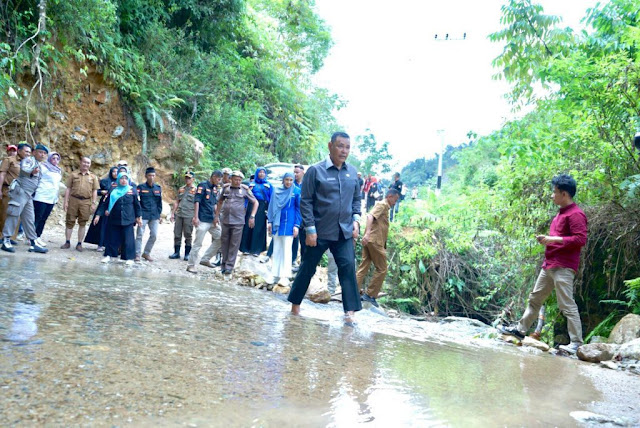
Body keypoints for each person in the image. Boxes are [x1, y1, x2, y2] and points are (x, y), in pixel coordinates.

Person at [500, 174, 588, 354]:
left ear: (564, 194)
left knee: (566, 305)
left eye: (554, 192)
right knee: (535, 299)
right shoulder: (560, 214)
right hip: (549, 265)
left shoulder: (576, 214)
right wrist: (548, 241)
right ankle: (520, 331)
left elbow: (580, 239)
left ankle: (577, 343)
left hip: (563, 266)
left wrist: (551, 239)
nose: (551, 195)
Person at [287, 132, 362, 324]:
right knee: (307, 268)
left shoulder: (352, 173)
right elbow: (306, 201)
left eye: (347, 147)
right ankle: (295, 306)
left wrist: (356, 220)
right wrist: (310, 229)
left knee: (347, 268)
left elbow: (356, 199)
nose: (344, 151)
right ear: (330, 146)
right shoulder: (315, 171)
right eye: (340, 146)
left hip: (343, 232)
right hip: (318, 231)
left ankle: (350, 313)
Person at [356, 189, 400, 307]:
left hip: (371, 240)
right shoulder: (382, 204)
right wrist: (367, 233)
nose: (395, 202)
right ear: (389, 196)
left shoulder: (385, 206)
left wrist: (367, 235)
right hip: (374, 241)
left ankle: (353, 293)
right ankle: (370, 295)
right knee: (382, 269)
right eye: (395, 199)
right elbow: (370, 216)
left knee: (364, 266)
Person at [1, 147, 48, 254]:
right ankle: (6, 240)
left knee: (29, 218)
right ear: (34, 152)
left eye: (44, 153)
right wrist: (32, 172)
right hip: (20, 191)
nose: (42, 155)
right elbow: (24, 168)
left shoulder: (38, 164)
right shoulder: (28, 160)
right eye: (40, 152)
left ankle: (33, 242)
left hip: (28, 195)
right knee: (13, 215)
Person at [94, 171, 142, 265]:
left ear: (128, 180)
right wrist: (98, 215)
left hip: (128, 219)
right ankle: (108, 255)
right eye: (121, 178)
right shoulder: (113, 190)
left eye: (125, 178)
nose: (123, 180)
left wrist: (138, 217)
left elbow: (137, 205)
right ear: (118, 179)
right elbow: (105, 203)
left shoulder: (132, 190)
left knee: (128, 240)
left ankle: (128, 258)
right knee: (112, 238)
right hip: (114, 217)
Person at [216, 170, 258, 275]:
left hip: (238, 221)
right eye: (236, 179)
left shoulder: (245, 189)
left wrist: (252, 216)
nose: (238, 182)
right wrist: (216, 216)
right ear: (231, 179)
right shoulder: (226, 188)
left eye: (239, 180)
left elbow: (255, 202)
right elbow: (220, 201)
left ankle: (229, 267)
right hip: (225, 220)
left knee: (234, 244)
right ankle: (223, 265)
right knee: (224, 242)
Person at [267, 172, 301, 285]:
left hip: (289, 224)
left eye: (291, 180)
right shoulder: (276, 190)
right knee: (277, 249)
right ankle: (275, 275)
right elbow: (271, 206)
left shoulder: (296, 191)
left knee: (287, 250)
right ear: (283, 180)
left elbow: (298, 209)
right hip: (277, 222)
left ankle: (285, 276)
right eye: (287, 180)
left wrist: (296, 225)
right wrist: (270, 221)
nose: (289, 182)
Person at [187, 170, 223, 273]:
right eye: (218, 179)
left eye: (220, 179)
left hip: (212, 219)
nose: (219, 181)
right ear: (213, 177)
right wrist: (195, 217)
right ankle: (191, 265)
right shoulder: (202, 185)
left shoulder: (215, 188)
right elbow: (197, 201)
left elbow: (215, 204)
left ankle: (205, 259)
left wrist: (217, 217)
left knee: (221, 237)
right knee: (198, 243)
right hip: (202, 219)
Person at [61, 157, 99, 251]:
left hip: (86, 202)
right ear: (80, 163)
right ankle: (67, 242)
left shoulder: (93, 177)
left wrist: (93, 203)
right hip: (73, 200)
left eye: (88, 163)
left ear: (90, 165)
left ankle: (79, 243)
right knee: (70, 221)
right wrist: (66, 202)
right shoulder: (73, 175)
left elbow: (95, 191)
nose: (86, 164)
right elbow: (68, 189)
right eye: (84, 162)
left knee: (83, 222)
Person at [33, 150, 63, 247]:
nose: (55, 160)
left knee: (44, 218)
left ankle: (38, 236)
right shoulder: (43, 167)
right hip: (41, 196)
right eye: (53, 158)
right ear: (49, 158)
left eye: (57, 158)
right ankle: (31, 237)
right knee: (38, 217)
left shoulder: (58, 170)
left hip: (51, 198)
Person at [85, 166, 118, 251]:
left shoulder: (120, 182)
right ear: (111, 172)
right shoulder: (105, 181)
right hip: (104, 204)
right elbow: (96, 191)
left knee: (111, 226)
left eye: (117, 172)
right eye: (113, 172)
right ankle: (100, 244)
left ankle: (108, 244)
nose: (115, 173)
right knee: (101, 225)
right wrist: (102, 192)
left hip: (114, 206)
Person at [0, 143, 31, 235]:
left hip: (21, 192)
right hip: (8, 190)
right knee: (5, 212)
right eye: (26, 151)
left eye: (30, 152)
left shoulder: (28, 163)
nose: (28, 154)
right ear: (19, 151)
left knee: (16, 215)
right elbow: (2, 174)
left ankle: (11, 236)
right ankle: (2, 236)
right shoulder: (9, 160)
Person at [240, 167, 271, 256]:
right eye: (259, 172)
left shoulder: (268, 185)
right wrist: (245, 207)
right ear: (257, 173)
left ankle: (256, 250)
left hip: (262, 207)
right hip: (251, 206)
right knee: (248, 226)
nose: (261, 174)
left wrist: (269, 210)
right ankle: (245, 248)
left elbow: (271, 198)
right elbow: (246, 198)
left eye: (263, 172)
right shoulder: (251, 185)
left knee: (259, 227)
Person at [135, 167, 163, 262]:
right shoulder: (140, 187)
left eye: (153, 175)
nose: (151, 177)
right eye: (150, 175)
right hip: (143, 214)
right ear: (146, 176)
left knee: (154, 235)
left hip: (154, 215)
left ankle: (146, 253)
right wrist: (138, 215)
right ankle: (137, 254)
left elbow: (159, 203)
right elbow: (137, 202)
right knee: (139, 234)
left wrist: (159, 215)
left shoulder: (158, 188)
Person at [170, 171, 196, 260]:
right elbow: (177, 201)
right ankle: (176, 252)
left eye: (189, 178)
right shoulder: (181, 189)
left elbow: (197, 204)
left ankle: (187, 254)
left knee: (188, 234)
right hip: (179, 214)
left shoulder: (195, 190)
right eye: (186, 177)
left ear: (193, 179)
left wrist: (196, 216)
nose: (187, 179)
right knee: (177, 233)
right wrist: (173, 213)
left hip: (189, 215)